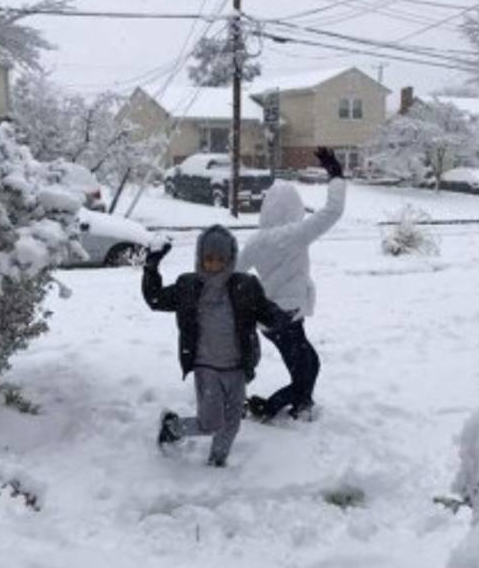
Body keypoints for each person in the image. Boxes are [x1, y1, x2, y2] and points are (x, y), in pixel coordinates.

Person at [142, 224, 287, 467]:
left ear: (230, 259)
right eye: (209, 259)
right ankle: (172, 428)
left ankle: (217, 463)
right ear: (200, 258)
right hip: (205, 366)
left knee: (232, 423)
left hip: (237, 367)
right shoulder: (187, 286)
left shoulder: (246, 285)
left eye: (221, 259)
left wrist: (282, 317)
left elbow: (265, 309)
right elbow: (155, 299)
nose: (214, 264)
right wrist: (151, 266)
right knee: (210, 423)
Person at [237, 147, 346, 421]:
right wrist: (335, 174)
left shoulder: (256, 241)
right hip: (286, 316)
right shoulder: (294, 234)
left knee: (305, 365)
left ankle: (300, 404)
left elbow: (232, 274)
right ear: (293, 208)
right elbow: (333, 211)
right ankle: (270, 407)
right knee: (307, 367)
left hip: (270, 319)